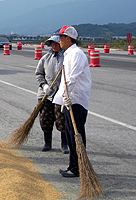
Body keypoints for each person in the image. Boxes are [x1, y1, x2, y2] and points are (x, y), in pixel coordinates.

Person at [53, 26, 92, 177]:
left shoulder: (76, 54)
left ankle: (78, 168)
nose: (59, 40)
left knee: (77, 135)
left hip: (76, 100)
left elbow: (72, 78)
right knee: (70, 134)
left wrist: (66, 96)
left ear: (68, 38)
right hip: (69, 100)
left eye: (61, 37)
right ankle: (72, 165)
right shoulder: (68, 53)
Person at [35, 35, 68, 154]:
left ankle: (65, 144)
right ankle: (47, 143)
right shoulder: (45, 58)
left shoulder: (66, 58)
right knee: (45, 119)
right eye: (51, 44)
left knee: (62, 120)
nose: (54, 46)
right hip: (46, 95)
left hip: (61, 95)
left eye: (56, 43)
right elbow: (39, 73)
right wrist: (44, 86)